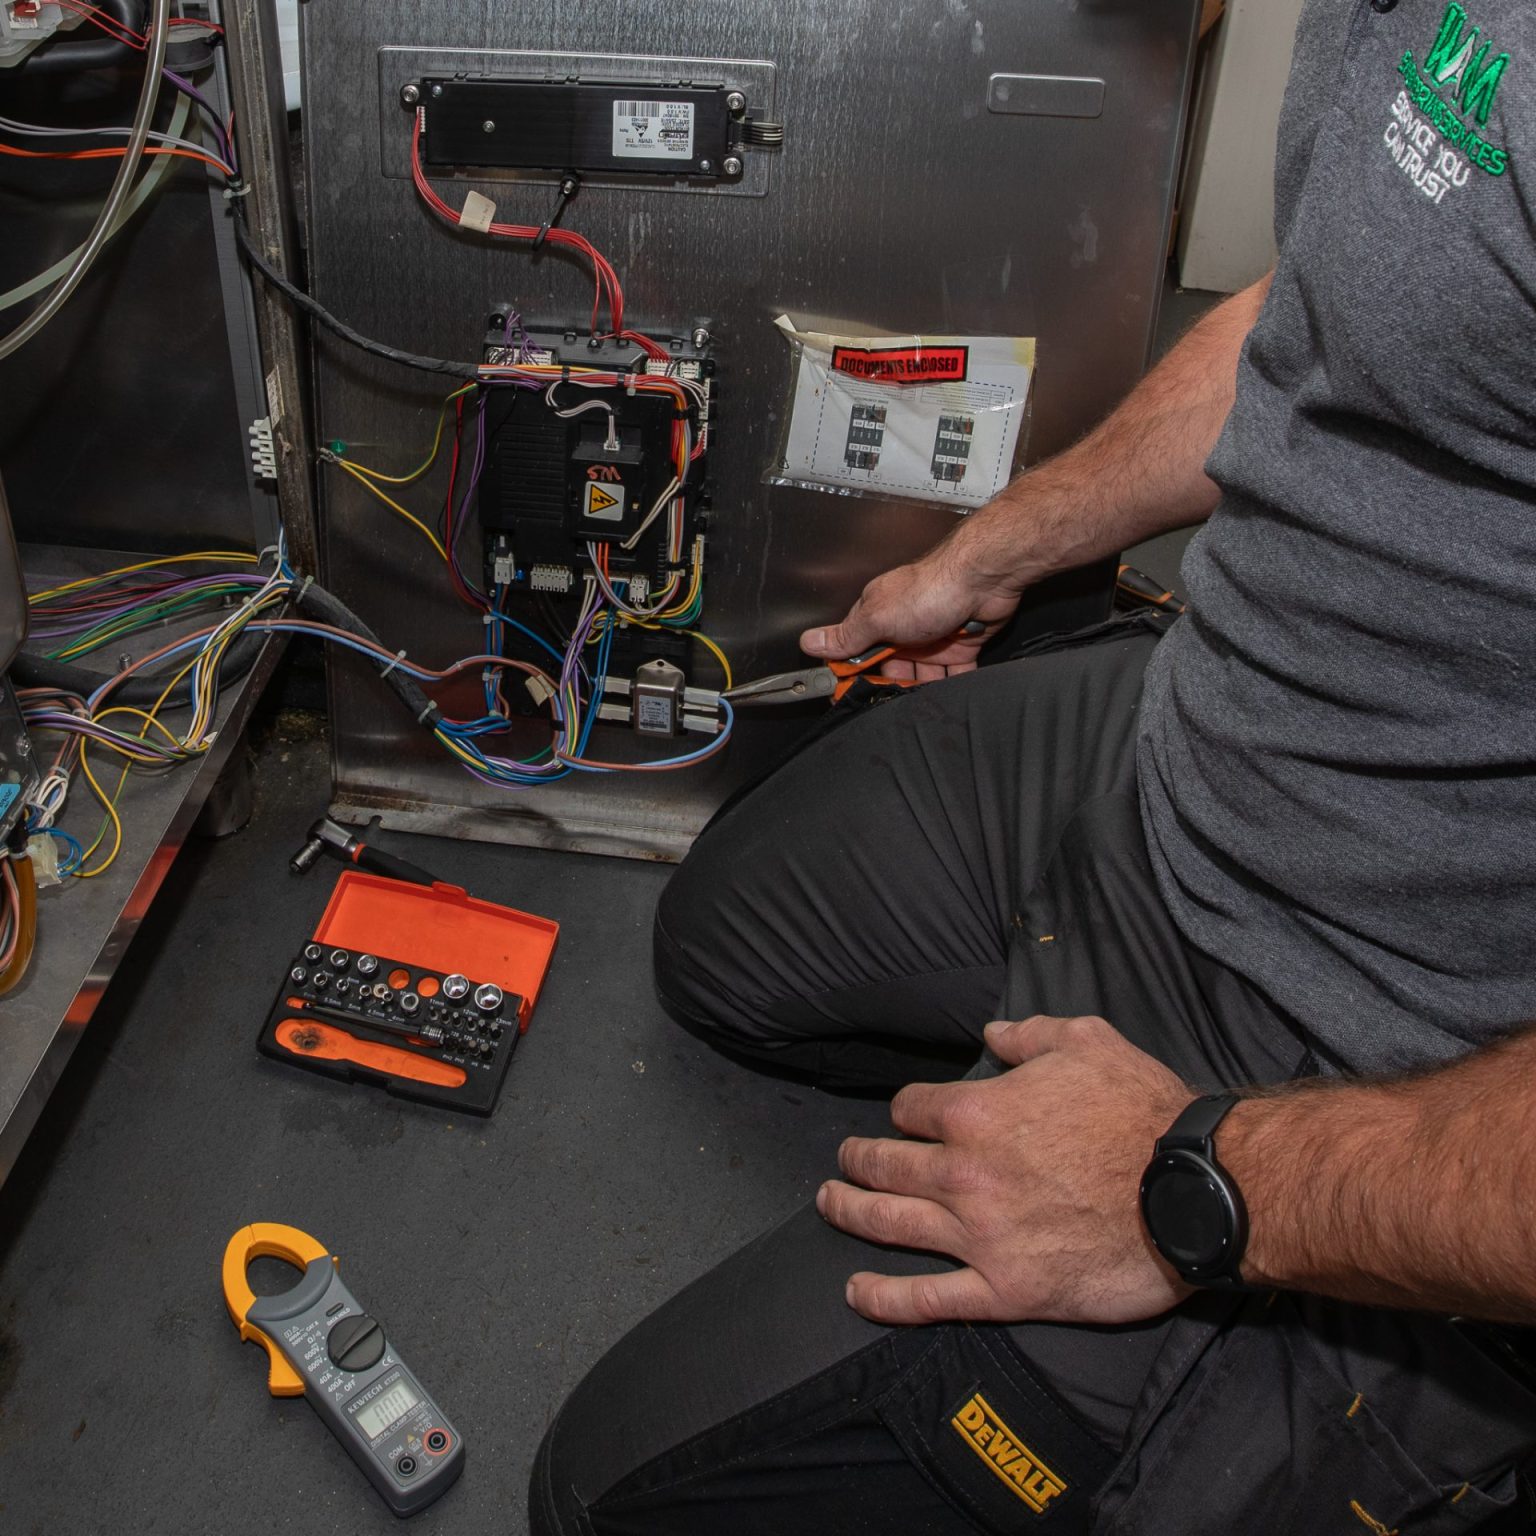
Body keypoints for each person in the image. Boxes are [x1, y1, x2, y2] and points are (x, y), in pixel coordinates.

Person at [530, 1, 1536, 1530]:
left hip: (1396, 1036)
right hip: (1195, 747)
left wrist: (1199, 1184)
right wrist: (996, 553)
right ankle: (1046, 1053)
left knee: (605, 1497)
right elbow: (1328, 305)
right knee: (723, 951)